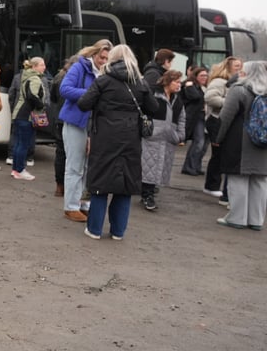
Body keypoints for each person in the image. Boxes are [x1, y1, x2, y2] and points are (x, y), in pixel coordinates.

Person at [76, 44, 158, 240]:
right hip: (131, 137)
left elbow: (83, 104)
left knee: (100, 183)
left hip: (104, 136)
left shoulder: (103, 81)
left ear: (111, 59)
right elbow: (153, 108)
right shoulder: (141, 83)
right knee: (125, 184)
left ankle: (94, 229)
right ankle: (118, 232)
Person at [57, 39, 112, 222]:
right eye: (101, 57)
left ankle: (82, 204)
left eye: (107, 58)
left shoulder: (107, 73)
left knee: (89, 167)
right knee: (75, 166)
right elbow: (64, 89)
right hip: (76, 122)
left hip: (94, 125)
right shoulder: (80, 67)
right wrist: (91, 93)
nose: (104, 61)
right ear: (94, 54)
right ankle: (71, 206)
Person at [214, 60, 267, 231]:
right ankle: (256, 220)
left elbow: (225, 117)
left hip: (240, 142)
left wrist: (218, 138)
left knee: (238, 179)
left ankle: (237, 218)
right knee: (260, 181)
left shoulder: (239, 90)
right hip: (263, 142)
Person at [139, 70, 186, 211]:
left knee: (159, 168)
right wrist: (148, 131)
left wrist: (179, 136)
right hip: (152, 138)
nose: (179, 85)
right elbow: (143, 112)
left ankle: (149, 193)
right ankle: (147, 195)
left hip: (168, 140)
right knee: (149, 167)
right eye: (176, 81)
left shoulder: (177, 100)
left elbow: (182, 118)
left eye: (180, 82)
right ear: (167, 81)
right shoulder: (154, 95)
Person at [203, 56, 243, 198]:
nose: (240, 68)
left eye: (240, 66)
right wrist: (231, 103)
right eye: (237, 66)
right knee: (218, 155)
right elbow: (210, 98)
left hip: (223, 121)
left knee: (221, 155)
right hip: (216, 121)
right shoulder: (220, 81)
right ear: (228, 67)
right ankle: (211, 185)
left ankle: (213, 185)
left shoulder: (235, 83)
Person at [9, 57, 46, 181]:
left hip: (19, 114)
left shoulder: (25, 77)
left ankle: (15, 169)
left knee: (18, 143)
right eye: (41, 65)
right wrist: (41, 105)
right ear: (34, 67)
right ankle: (20, 170)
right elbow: (32, 95)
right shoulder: (35, 79)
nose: (44, 67)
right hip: (27, 116)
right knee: (23, 144)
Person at [50, 58, 73, 196]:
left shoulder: (58, 77)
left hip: (60, 117)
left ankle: (60, 185)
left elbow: (53, 98)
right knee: (74, 155)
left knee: (61, 153)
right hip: (73, 119)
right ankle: (71, 186)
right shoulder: (79, 79)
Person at [180, 65, 209, 175]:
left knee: (205, 145)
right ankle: (189, 167)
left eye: (206, 75)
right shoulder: (191, 86)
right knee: (199, 142)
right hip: (197, 117)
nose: (204, 77)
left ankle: (196, 166)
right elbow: (195, 97)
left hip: (206, 117)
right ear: (195, 76)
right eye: (201, 75)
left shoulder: (206, 87)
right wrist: (190, 86)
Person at [5, 69, 36, 167]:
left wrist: (13, 107)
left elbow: (11, 94)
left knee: (15, 135)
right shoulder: (38, 79)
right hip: (31, 112)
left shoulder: (17, 77)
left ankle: (11, 157)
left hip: (17, 111)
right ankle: (28, 159)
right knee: (29, 136)